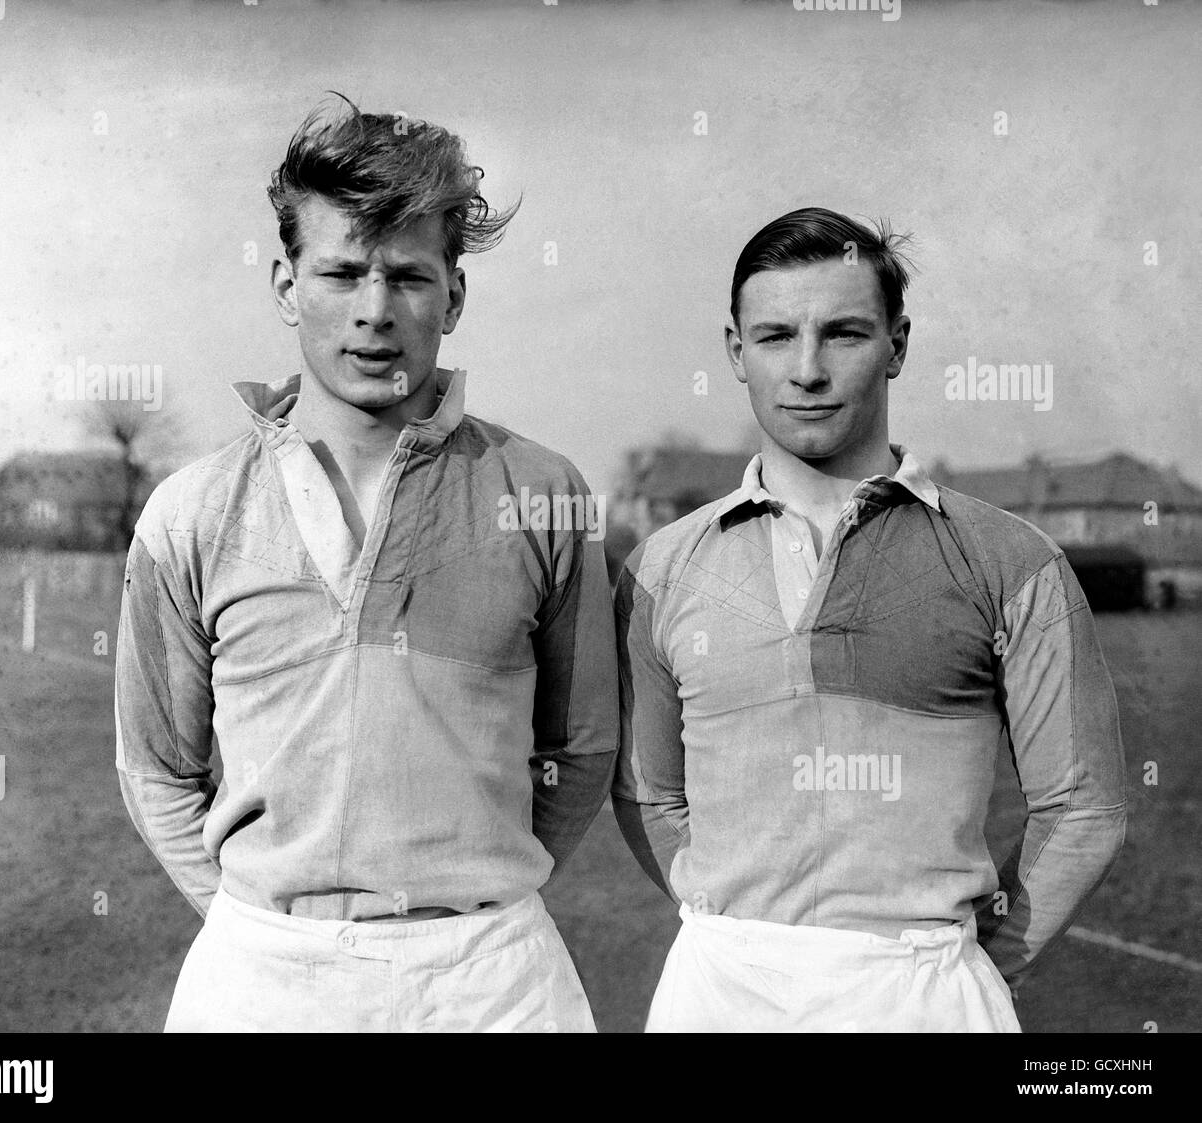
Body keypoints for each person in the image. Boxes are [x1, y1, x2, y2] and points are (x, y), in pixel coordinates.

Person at [114, 96, 617, 1032]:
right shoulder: (189, 511)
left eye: (409, 277)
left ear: (454, 297)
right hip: (262, 973)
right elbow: (155, 767)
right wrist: (264, 921)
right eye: (341, 272)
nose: (374, 313)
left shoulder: (545, 493)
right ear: (283, 283)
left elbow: (580, 747)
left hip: (492, 979)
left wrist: (470, 904)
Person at [613, 207, 1126, 1032]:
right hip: (718, 989)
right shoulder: (662, 570)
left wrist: (965, 969)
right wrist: (732, 926)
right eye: (775, 336)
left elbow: (1084, 805)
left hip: (924, 989)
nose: (807, 370)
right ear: (735, 352)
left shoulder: (1010, 559)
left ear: (898, 344)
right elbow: (648, 793)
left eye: (844, 333)